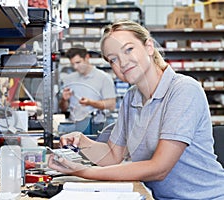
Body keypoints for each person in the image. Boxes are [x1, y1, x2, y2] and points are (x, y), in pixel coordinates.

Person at [48, 20, 224, 199]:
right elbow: (113, 155)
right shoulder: (132, 97)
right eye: (113, 59)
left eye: (128, 49)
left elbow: (159, 168)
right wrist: (82, 142)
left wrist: (83, 171)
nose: (122, 62)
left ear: (148, 46)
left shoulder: (183, 90)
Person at [58, 45, 116, 133]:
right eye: (73, 64)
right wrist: (64, 100)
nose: (75, 67)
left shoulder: (104, 78)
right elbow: (63, 109)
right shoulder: (69, 79)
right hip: (75, 126)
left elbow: (111, 105)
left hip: (96, 125)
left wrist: (90, 103)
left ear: (87, 57)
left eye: (78, 62)